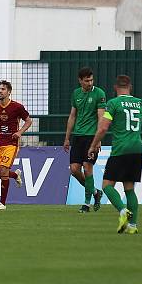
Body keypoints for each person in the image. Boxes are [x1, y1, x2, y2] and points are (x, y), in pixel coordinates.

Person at [88, 75, 142, 234]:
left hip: (120, 149)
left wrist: (93, 146)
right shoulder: (140, 103)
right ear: (130, 86)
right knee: (129, 188)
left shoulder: (113, 103)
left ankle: (123, 211)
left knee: (106, 185)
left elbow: (103, 128)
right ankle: (132, 226)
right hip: (136, 148)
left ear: (115, 87)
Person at [0, 80, 31, 210]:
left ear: (9, 92)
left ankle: (2, 203)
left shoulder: (17, 107)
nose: (0, 91)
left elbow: (28, 121)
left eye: (3, 89)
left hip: (11, 143)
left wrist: (20, 132)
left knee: (3, 171)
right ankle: (15, 175)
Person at [63, 67, 106, 213]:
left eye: (91, 80)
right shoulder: (76, 93)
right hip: (78, 137)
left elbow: (102, 117)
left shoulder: (99, 93)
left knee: (88, 168)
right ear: (80, 80)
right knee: (74, 170)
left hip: (91, 138)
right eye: (87, 80)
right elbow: (73, 116)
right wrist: (67, 137)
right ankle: (95, 192)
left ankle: (87, 204)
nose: (90, 83)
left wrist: (98, 139)